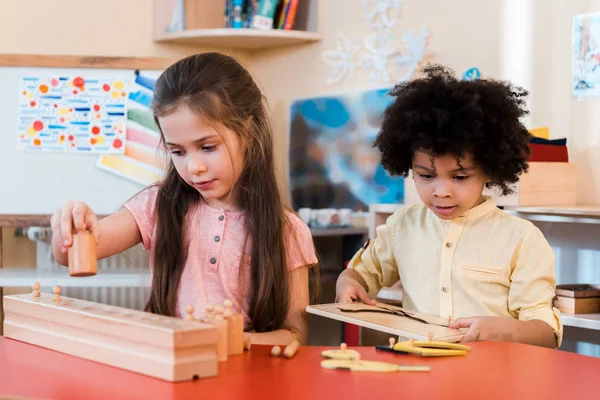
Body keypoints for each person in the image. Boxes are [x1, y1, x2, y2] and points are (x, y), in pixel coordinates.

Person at [51, 52, 318, 346]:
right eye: (177, 151)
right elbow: (69, 254)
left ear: (249, 133)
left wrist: (230, 340)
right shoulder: (156, 206)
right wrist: (70, 224)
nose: (194, 168)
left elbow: (296, 334)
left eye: (207, 147)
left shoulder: (288, 230)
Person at [335, 64, 563, 348]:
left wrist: (503, 330)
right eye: (426, 176)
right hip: (417, 378)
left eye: (460, 177)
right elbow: (362, 273)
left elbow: (546, 334)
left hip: (491, 382)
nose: (441, 192)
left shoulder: (521, 239)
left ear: (489, 169)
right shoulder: (401, 227)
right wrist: (348, 282)